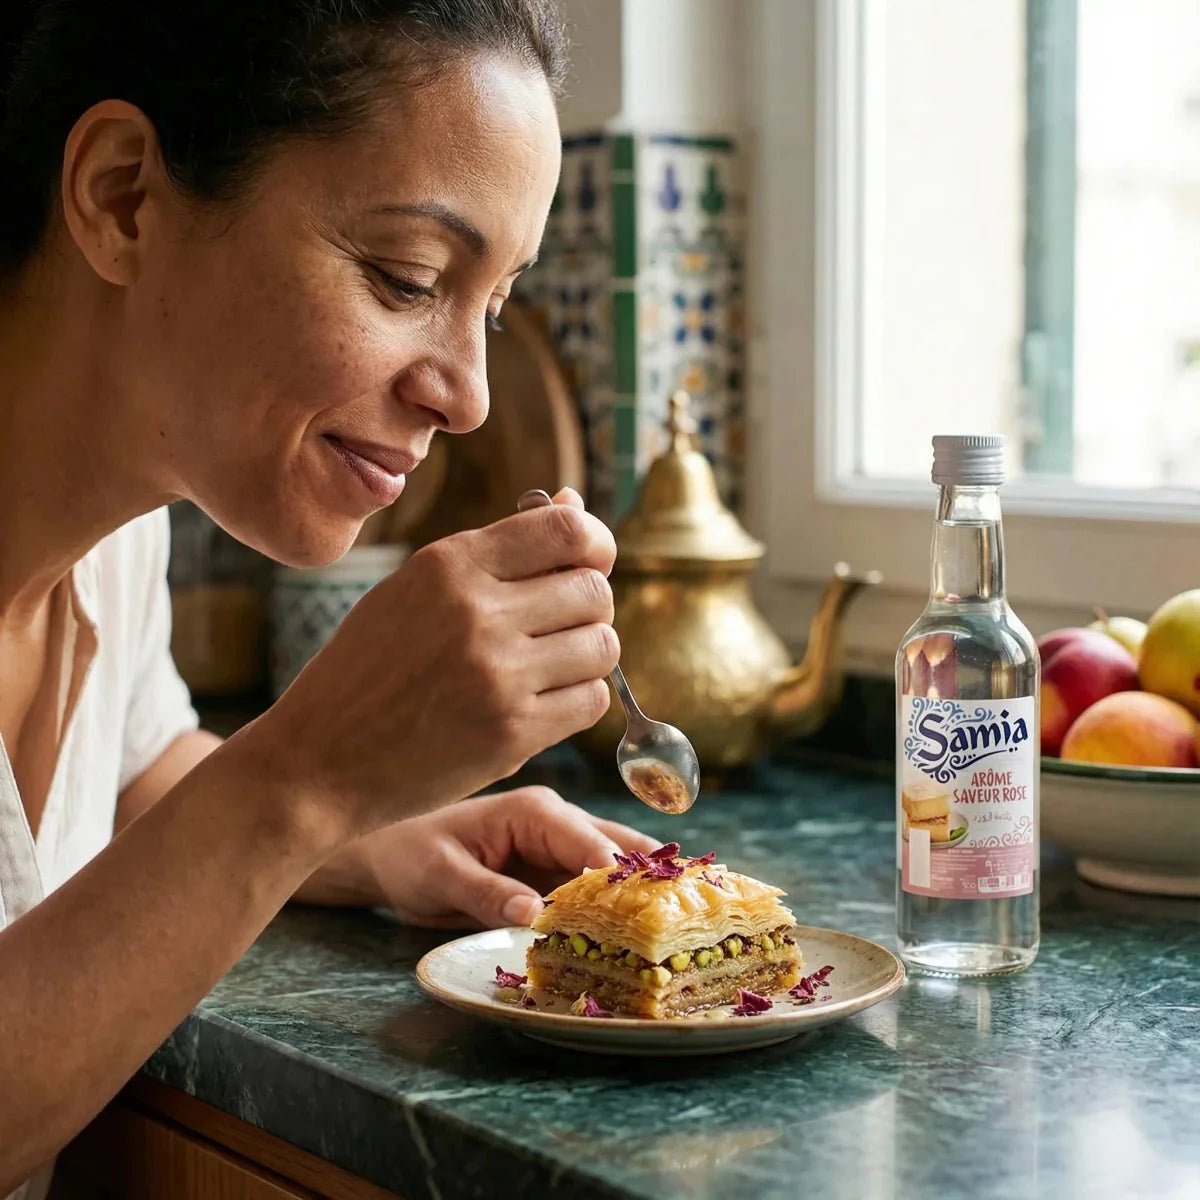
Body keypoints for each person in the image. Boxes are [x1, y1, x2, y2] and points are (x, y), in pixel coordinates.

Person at [0, 2, 653, 1193]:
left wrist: (374, 841)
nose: (471, 398)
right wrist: (309, 780)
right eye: (407, 278)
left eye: (493, 307)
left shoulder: (120, 533)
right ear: (123, 196)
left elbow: (138, 771)